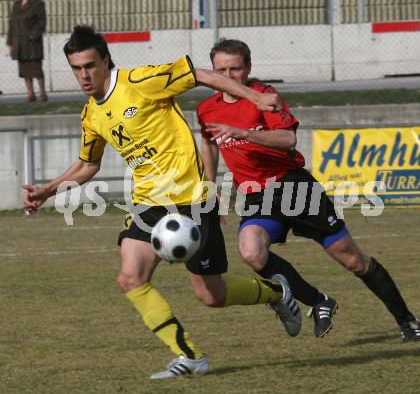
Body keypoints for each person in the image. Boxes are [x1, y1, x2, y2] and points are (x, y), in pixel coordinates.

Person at [22, 25, 302, 380]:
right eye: (76, 68)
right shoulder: (91, 114)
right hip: (148, 205)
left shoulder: (140, 81)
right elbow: (87, 165)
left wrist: (254, 97)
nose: (84, 75)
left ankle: (277, 293)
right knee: (129, 277)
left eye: (90, 65)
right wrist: (47, 191)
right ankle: (190, 356)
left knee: (211, 295)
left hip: (192, 200)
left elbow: (199, 74)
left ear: (106, 61)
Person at [198, 38, 420, 343]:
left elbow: (287, 140)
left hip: (293, 186)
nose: (228, 75)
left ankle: (406, 320)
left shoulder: (265, 96)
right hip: (255, 195)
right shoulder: (207, 108)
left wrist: (244, 133)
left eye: (235, 68)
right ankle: (318, 302)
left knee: (353, 260)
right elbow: (209, 144)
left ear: (248, 68)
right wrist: (209, 186)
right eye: (220, 69)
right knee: (251, 252)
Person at [6, 0, 48, 102]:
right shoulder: (16, 4)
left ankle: (42, 94)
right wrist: (9, 41)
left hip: (33, 43)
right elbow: (12, 23)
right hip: (19, 43)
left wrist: (33, 36)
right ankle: (31, 94)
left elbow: (42, 22)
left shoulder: (38, 3)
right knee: (24, 70)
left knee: (36, 69)